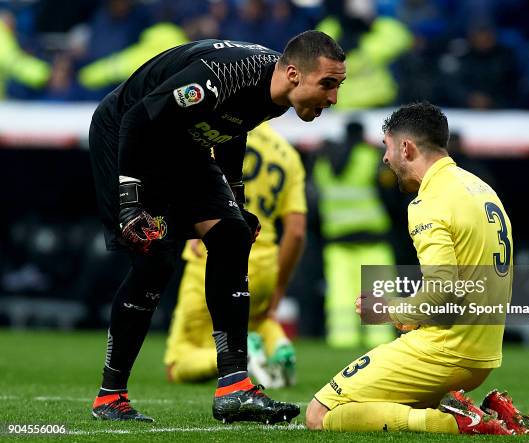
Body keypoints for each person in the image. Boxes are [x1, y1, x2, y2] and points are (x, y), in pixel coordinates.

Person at [88, 30, 345, 424]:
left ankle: (234, 388)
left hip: (182, 141)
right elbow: (139, 117)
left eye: (338, 86)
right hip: (126, 133)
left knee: (232, 234)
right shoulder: (224, 74)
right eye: (328, 84)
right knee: (156, 257)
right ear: (294, 74)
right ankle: (110, 396)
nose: (333, 99)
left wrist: (235, 202)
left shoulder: (274, 93)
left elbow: (233, 126)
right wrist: (130, 201)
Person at [305, 102, 529, 435]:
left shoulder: (429, 202)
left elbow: (442, 289)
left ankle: (453, 421)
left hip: (443, 351)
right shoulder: (482, 189)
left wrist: (392, 310)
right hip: (483, 353)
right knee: (386, 404)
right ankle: (485, 410)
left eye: (387, 147)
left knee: (320, 414)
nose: (385, 159)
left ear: (406, 148)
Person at [165, 122, 306, 386]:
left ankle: (245, 358)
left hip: (212, 255)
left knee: (176, 363)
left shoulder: (213, 133)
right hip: (264, 261)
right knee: (261, 318)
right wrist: (278, 287)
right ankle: (278, 348)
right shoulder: (288, 154)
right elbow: (296, 232)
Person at [312, 121, 395, 348]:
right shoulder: (371, 158)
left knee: (340, 294)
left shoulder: (323, 162)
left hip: (337, 240)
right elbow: (390, 197)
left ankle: (342, 339)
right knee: (377, 295)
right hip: (373, 239)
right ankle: (379, 342)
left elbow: (316, 202)